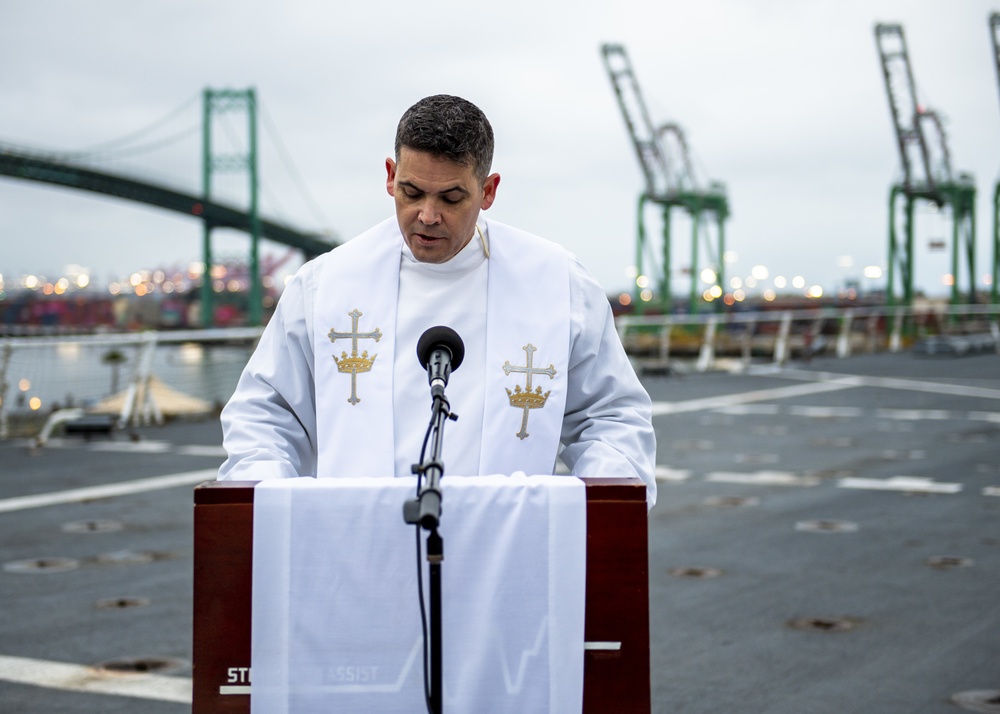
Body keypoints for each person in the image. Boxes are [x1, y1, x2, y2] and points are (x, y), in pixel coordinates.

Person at [218, 94, 656, 507]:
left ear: (488, 191)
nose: (427, 215)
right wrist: (268, 505)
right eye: (411, 192)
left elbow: (610, 417)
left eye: (450, 198)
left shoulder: (558, 284)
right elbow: (266, 413)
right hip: (351, 548)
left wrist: (603, 510)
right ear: (390, 175)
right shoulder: (325, 284)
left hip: (508, 550)